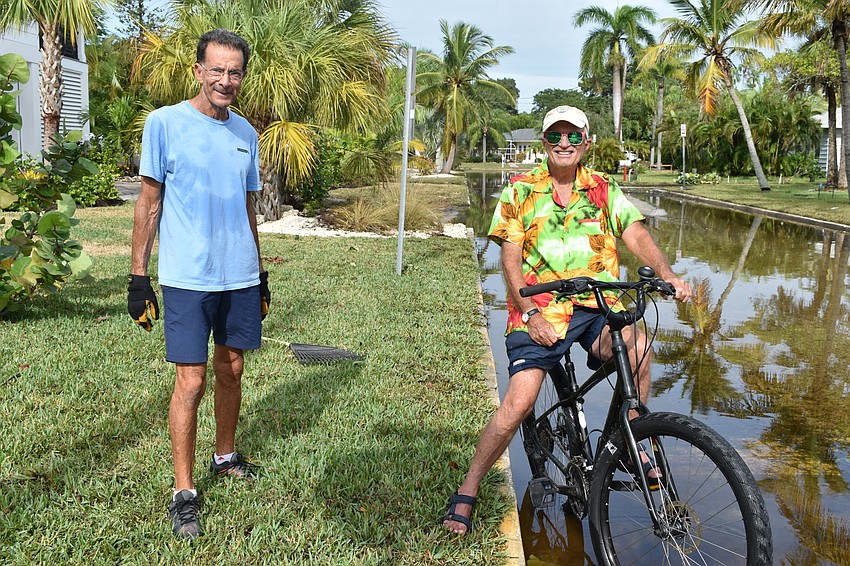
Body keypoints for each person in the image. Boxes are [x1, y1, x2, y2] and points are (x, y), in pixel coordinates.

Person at [441, 105, 692, 535]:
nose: (564, 143)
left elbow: (636, 234)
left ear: (586, 142)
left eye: (573, 136)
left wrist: (666, 273)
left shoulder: (604, 189)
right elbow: (511, 258)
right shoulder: (519, 191)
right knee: (519, 403)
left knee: (637, 343)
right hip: (540, 307)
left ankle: (632, 440)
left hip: (597, 304)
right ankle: (468, 487)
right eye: (555, 136)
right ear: (544, 142)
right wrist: (530, 310)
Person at [127, 28, 271, 540]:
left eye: (234, 72)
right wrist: (138, 276)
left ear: (242, 76)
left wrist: (260, 273)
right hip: (188, 277)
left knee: (231, 368)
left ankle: (225, 455)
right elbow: (148, 203)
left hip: (239, 275)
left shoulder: (246, 134)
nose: (225, 80)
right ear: (198, 71)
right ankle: (183, 492)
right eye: (217, 70)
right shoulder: (164, 124)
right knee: (192, 381)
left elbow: (250, 208)